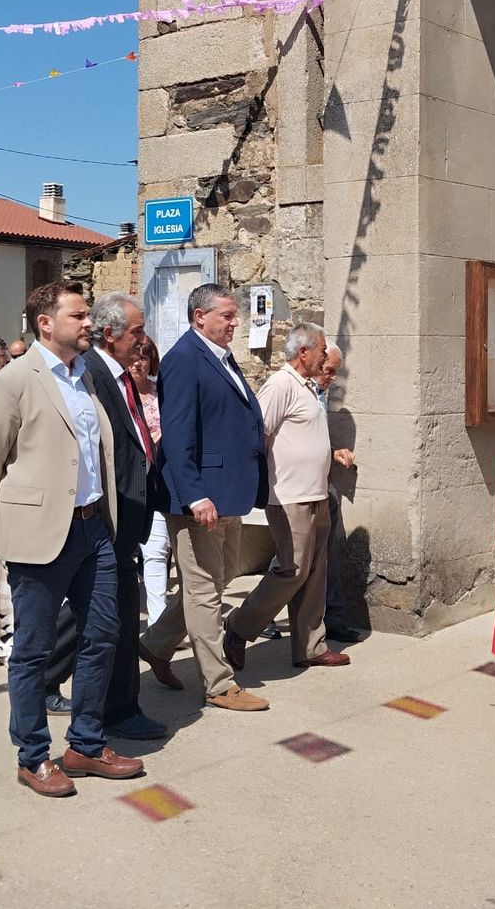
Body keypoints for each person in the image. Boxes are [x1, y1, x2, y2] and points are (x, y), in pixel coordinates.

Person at [0, 281, 143, 798]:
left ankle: (86, 745)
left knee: (102, 637)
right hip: (41, 533)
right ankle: (32, 755)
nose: (89, 323)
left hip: (95, 528)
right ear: (45, 322)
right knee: (34, 650)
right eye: (79, 315)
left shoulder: (86, 376)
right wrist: (0, 528)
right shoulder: (13, 381)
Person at [139, 284, 270, 713]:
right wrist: (194, 494)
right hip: (199, 499)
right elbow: (177, 436)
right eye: (228, 316)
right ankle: (218, 684)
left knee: (221, 575)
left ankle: (157, 643)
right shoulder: (182, 360)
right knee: (202, 591)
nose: (236, 323)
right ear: (200, 317)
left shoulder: (220, 356)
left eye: (236, 316)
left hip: (228, 493)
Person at [70, 291, 169, 740]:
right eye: (136, 332)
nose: (142, 340)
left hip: (129, 514)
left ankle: (96, 695)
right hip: (108, 518)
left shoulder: (120, 376)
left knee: (112, 615)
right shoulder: (91, 375)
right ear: (109, 336)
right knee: (116, 619)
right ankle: (120, 709)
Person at [225, 323, 350, 672]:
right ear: (304, 352)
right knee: (291, 570)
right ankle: (239, 627)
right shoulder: (281, 384)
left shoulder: (307, 387)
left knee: (314, 572)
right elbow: (257, 432)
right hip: (289, 494)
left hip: (315, 492)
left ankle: (310, 645)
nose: (326, 357)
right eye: (322, 351)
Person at [315, 342, 365, 645]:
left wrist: (334, 452)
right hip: (298, 489)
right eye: (329, 370)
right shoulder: (291, 390)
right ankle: (253, 618)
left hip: (323, 484)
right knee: (292, 560)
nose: (332, 378)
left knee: (330, 554)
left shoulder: (320, 395)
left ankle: (333, 618)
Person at [132, 340, 171, 628]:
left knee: (157, 552)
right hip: (129, 483)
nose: (139, 363)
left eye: (145, 357)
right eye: (134, 357)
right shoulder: (118, 392)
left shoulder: (163, 392)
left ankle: (158, 621)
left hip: (160, 480)